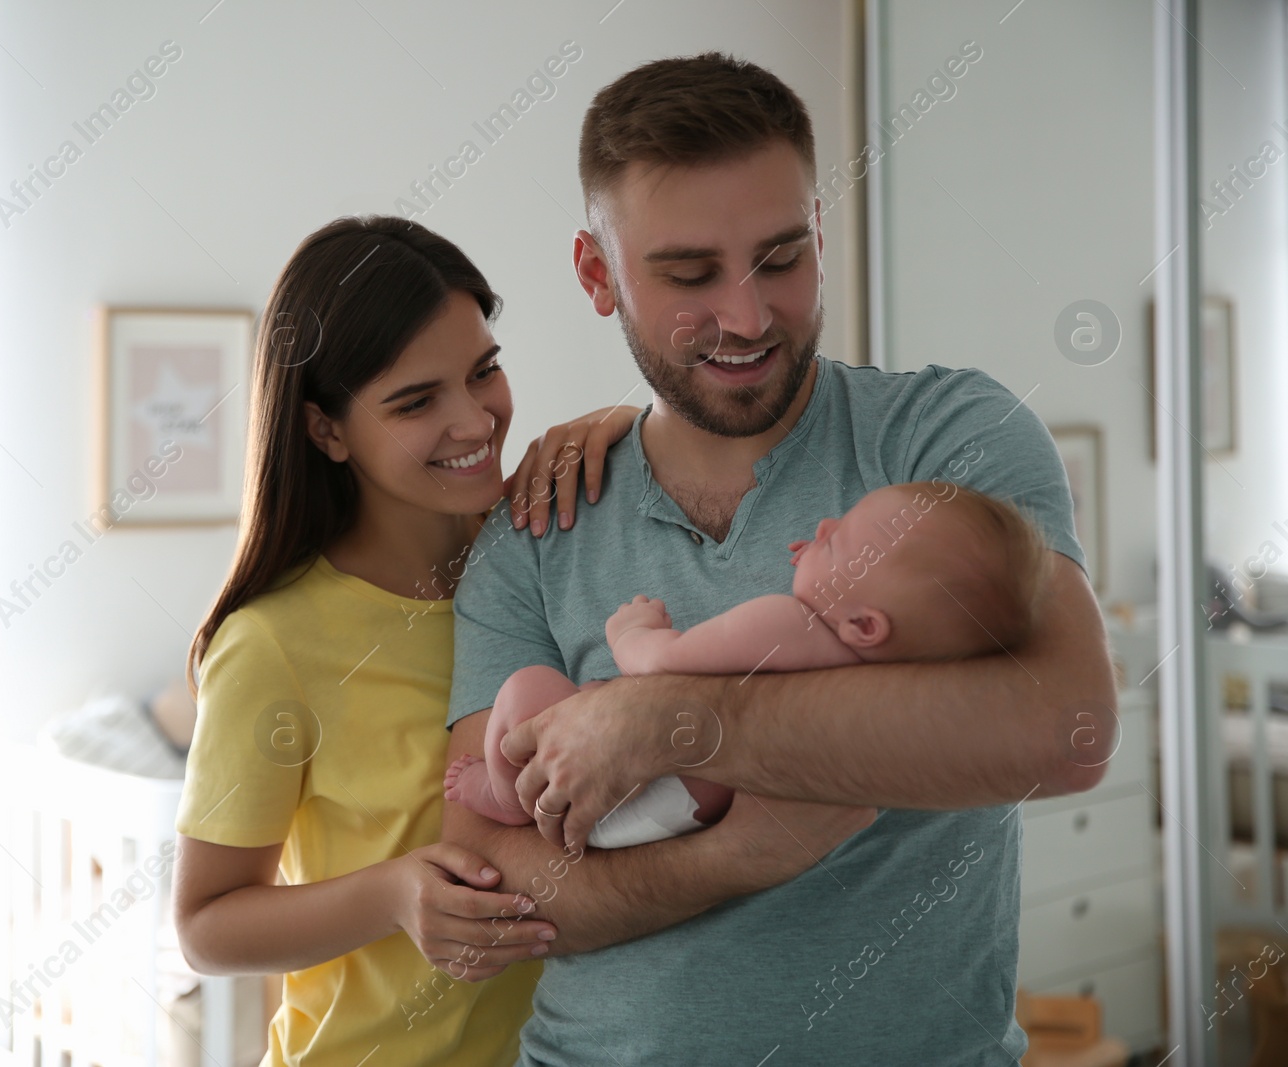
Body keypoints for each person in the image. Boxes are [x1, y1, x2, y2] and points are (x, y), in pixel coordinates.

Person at [440, 53, 1116, 1065]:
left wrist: (665, 721)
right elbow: (500, 886)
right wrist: (736, 854)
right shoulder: (535, 524)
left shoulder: (945, 442)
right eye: (688, 275)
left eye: (780, 256)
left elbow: (1064, 726)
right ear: (596, 273)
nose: (750, 317)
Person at [170, 214, 647, 1067]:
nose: (474, 420)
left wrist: (623, 425)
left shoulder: (547, 549)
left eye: (484, 371)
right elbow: (206, 928)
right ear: (326, 430)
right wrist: (392, 894)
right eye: (416, 401)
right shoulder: (273, 642)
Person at [444, 482, 1050, 849]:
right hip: (676, 806)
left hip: (639, 797)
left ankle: (504, 795)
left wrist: (633, 631)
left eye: (837, 542)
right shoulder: (878, 673)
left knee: (528, 688)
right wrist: (826, 561)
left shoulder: (789, 622)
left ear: (865, 625)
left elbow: (663, 667)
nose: (823, 524)